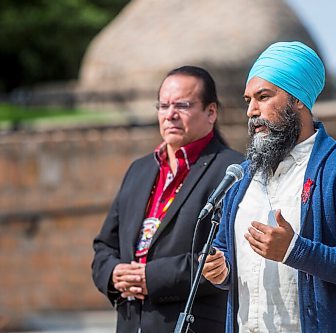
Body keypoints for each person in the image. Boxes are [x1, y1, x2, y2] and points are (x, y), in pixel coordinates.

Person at [202, 41, 336, 333]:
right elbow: (226, 253)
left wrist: (295, 250)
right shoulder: (241, 177)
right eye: (248, 100)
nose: (252, 110)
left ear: (298, 99)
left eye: (263, 97)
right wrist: (221, 270)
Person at [91, 65, 243, 332]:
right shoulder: (139, 169)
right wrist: (114, 274)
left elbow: (228, 256)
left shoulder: (232, 172)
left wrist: (152, 277)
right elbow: (104, 246)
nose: (170, 114)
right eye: (163, 106)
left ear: (211, 112)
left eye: (183, 105)